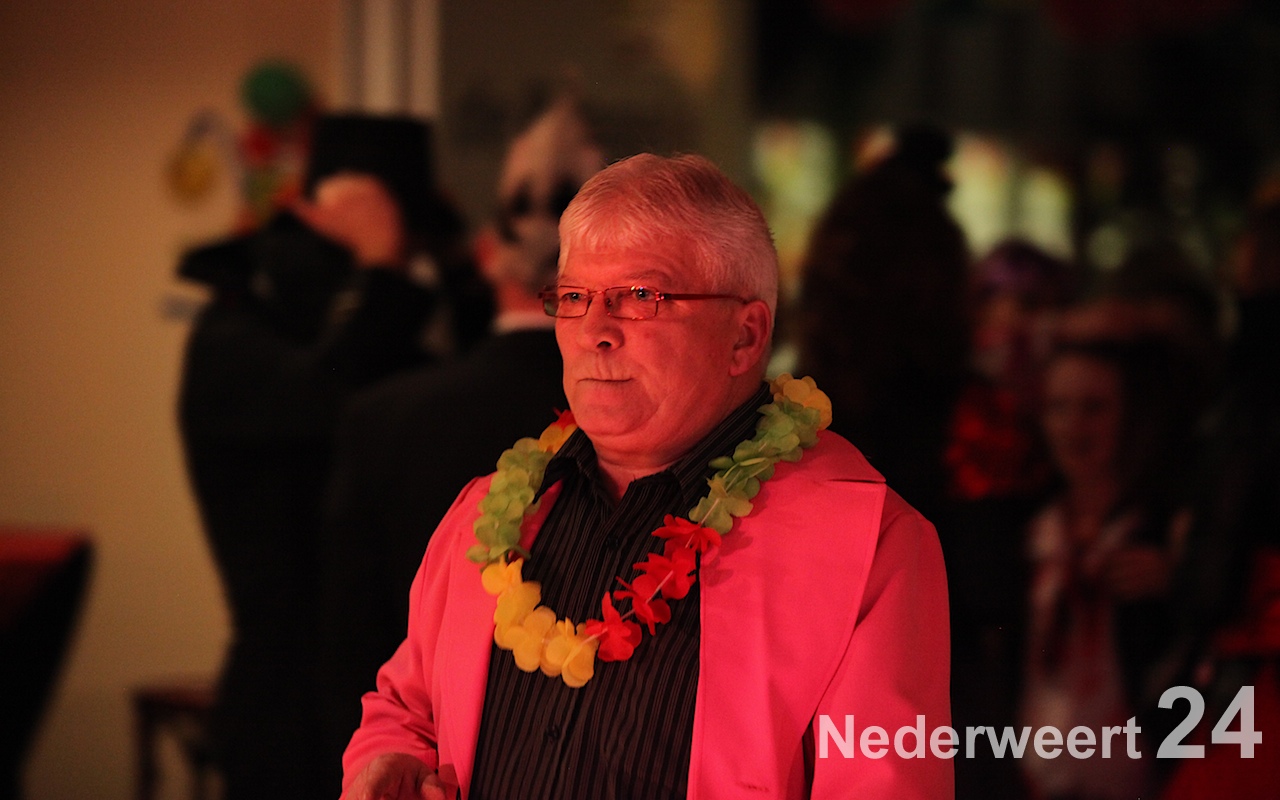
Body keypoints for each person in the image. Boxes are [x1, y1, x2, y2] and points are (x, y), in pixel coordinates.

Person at [339, 154, 952, 799]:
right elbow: (405, 708)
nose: (594, 331)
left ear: (745, 337)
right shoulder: (489, 513)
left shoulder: (866, 544)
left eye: (640, 298)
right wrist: (390, 760)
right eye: (574, 297)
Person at [315, 97, 603, 785]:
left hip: (419, 767)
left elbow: (348, 641)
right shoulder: (647, 420)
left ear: (485, 256)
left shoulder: (385, 415)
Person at [178, 114, 465, 800]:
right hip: (289, 711)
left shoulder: (380, 335)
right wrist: (380, 272)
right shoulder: (237, 337)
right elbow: (331, 399)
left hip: (403, 703)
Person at [1018, 337, 1192, 800]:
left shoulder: (1162, 528)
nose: (1073, 426)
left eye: (1094, 408)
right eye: (1058, 407)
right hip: (1036, 776)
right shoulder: (1032, 529)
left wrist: (1179, 584)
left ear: (1130, 416)